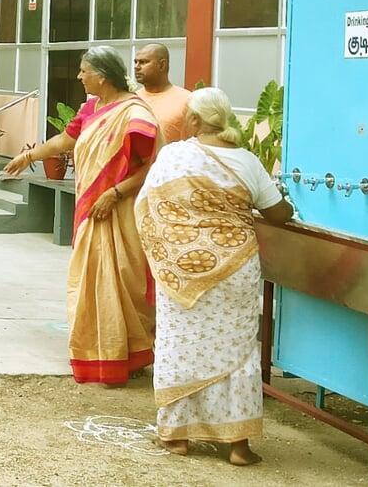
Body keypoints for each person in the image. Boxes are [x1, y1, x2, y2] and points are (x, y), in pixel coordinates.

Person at [137, 87, 293, 467]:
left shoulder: (174, 156)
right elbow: (277, 214)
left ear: (193, 120)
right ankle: (237, 445)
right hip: (234, 268)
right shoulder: (247, 161)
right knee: (237, 353)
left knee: (180, 344)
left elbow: (148, 205)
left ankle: (176, 437)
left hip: (181, 271)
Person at [4, 46, 160, 385]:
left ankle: (128, 354)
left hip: (120, 210)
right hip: (92, 208)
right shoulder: (92, 108)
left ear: (101, 77)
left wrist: (114, 193)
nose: (78, 76)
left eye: (83, 71)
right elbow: (65, 140)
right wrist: (29, 157)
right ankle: (99, 352)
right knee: (90, 282)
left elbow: (151, 168)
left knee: (121, 278)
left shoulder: (136, 114)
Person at [135, 44, 192, 144]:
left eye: (143, 62)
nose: (136, 67)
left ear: (162, 65)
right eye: (135, 62)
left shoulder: (187, 100)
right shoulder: (132, 99)